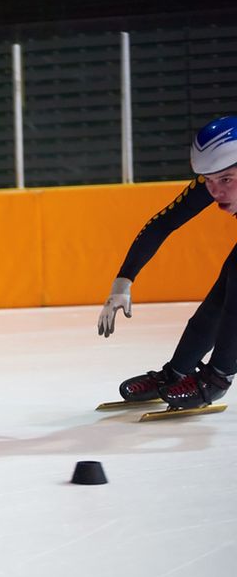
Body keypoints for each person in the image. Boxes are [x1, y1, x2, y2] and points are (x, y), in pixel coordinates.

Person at [97, 115, 237, 408]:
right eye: (209, 181)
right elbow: (164, 222)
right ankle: (176, 373)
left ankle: (218, 378)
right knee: (219, 298)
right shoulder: (215, 183)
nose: (216, 192)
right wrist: (123, 280)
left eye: (225, 179)